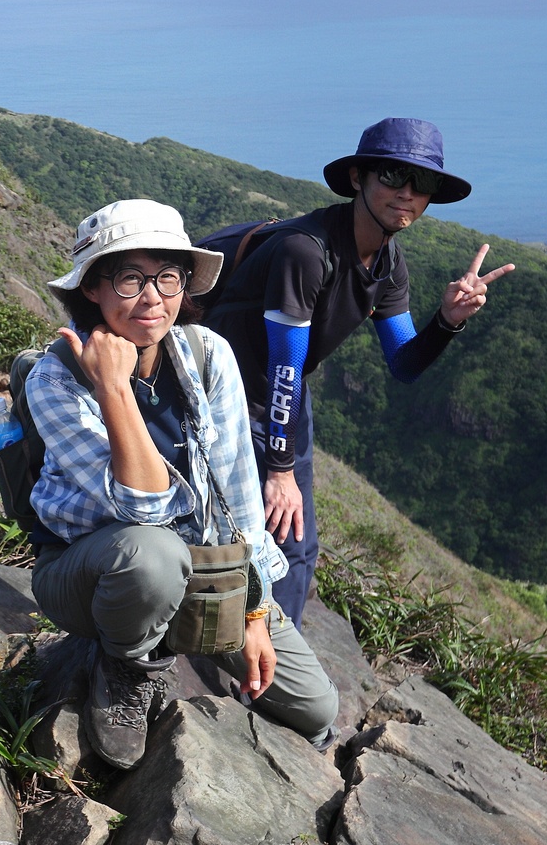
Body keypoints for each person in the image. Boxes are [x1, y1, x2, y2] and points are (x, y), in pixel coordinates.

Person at [24, 198, 338, 770]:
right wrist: (113, 388)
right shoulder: (57, 379)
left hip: (204, 567)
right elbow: (144, 509)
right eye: (130, 278)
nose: (153, 298)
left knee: (317, 708)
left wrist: (252, 612)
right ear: (91, 288)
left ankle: (174, 633)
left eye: (168, 277)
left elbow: (240, 495)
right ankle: (126, 665)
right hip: (91, 577)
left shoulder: (206, 354)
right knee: (153, 555)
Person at [205, 118, 513, 627]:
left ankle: (275, 657)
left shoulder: (389, 264)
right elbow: (285, 363)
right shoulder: (306, 251)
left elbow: (404, 364)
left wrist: (446, 321)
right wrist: (280, 471)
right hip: (232, 395)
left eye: (422, 182)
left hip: (284, 400)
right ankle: (247, 652)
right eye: (392, 175)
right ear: (357, 178)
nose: (407, 193)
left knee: (299, 549)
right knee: (273, 541)